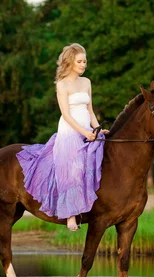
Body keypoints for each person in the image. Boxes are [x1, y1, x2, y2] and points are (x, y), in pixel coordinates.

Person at [16, 43, 108, 231]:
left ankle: (92, 206)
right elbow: (66, 115)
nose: (84, 65)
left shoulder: (87, 82)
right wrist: (84, 133)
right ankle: (70, 215)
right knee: (73, 169)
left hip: (88, 130)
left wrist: (98, 129)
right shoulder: (62, 85)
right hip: (70, 131)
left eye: (85, 61)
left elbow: (90, 111)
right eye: (80, 61)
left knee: (96, 162)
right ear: (70, 62)